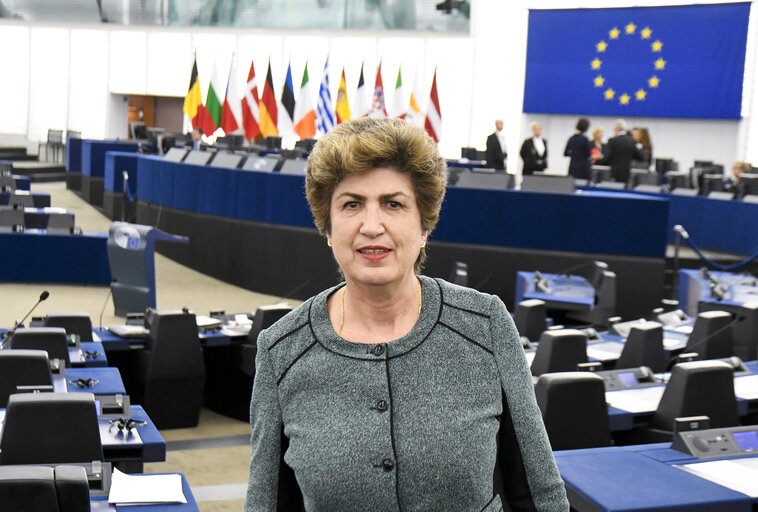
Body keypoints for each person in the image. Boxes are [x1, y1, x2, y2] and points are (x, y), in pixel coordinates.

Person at [244, 118, 569, 511]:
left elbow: (538, 492)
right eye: (351, 204)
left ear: (424, 223)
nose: (371, 225)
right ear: (328, 227)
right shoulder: (282, 350)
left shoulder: (485, 326)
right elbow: (267, 503)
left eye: (393, 204)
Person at [599, 119, 641, 184]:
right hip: (626, 173)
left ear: (616, 129)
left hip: (614, 172)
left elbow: (606, 158)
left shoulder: (612, 141)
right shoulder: (631, 141)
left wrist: (599, 161)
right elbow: (640, 156)